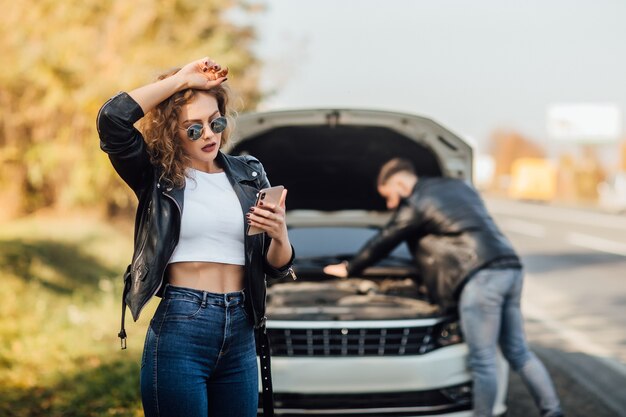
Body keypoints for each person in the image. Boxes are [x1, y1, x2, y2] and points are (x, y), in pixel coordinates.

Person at [96, 57, 295, 417]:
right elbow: (112, 120)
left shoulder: (250, 173)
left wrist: (280, 235)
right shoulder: (155, 174)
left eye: (215, 121)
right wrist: (181, 80)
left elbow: (276, 267)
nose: (208, 134)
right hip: (182, 324)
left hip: (241, 325)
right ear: (172, 130)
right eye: (192, 128)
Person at [324, 158, 563, 417]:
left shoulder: (417, 203)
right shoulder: (459, 187)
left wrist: (350, 268)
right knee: (518, 351)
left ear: (401, 183)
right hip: (510, 267)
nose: (390, 205)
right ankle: (553, 411)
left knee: (483, 362)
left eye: (389, 196)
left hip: (481, 278)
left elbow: (385, 240)